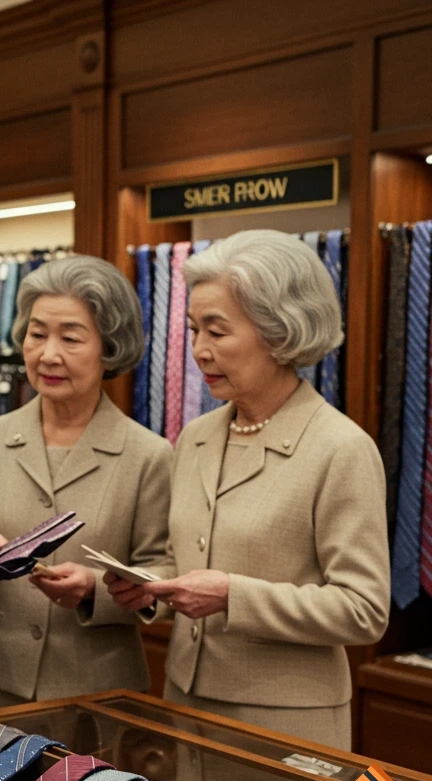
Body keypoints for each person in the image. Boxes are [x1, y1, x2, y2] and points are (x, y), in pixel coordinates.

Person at [108, 229, 389, 750]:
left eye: (217, 331)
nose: (199, 350)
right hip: (186, 706)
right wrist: (150, 588)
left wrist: (233, 596)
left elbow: (364, 609)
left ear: (279, 331)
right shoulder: (196, 438)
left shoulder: (340, 449)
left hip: (284, 727)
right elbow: (184, 559)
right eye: (193, 330)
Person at [0, 254, 172, 710]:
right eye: (37, 334)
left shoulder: (148, 455)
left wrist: (95, 588)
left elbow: (165, 573)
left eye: (71, 338)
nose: (48, 354)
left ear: (110, 347)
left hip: (101, 695)